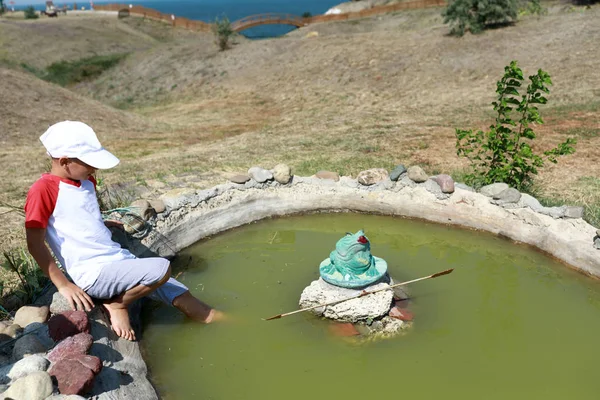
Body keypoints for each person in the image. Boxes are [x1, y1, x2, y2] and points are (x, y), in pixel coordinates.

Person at [25, 121, 222, 341]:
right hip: (93, 272)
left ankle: (232, 323)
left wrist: (102, 224)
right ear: (64, 161)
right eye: (90, 163)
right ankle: (118, 304)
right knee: (161, 268)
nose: (95, 168)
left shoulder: (86, 181)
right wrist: (64, 285)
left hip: (117, 259)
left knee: (184, 296)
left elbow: (77, 214)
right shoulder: (43, 190)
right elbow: (34, 243)